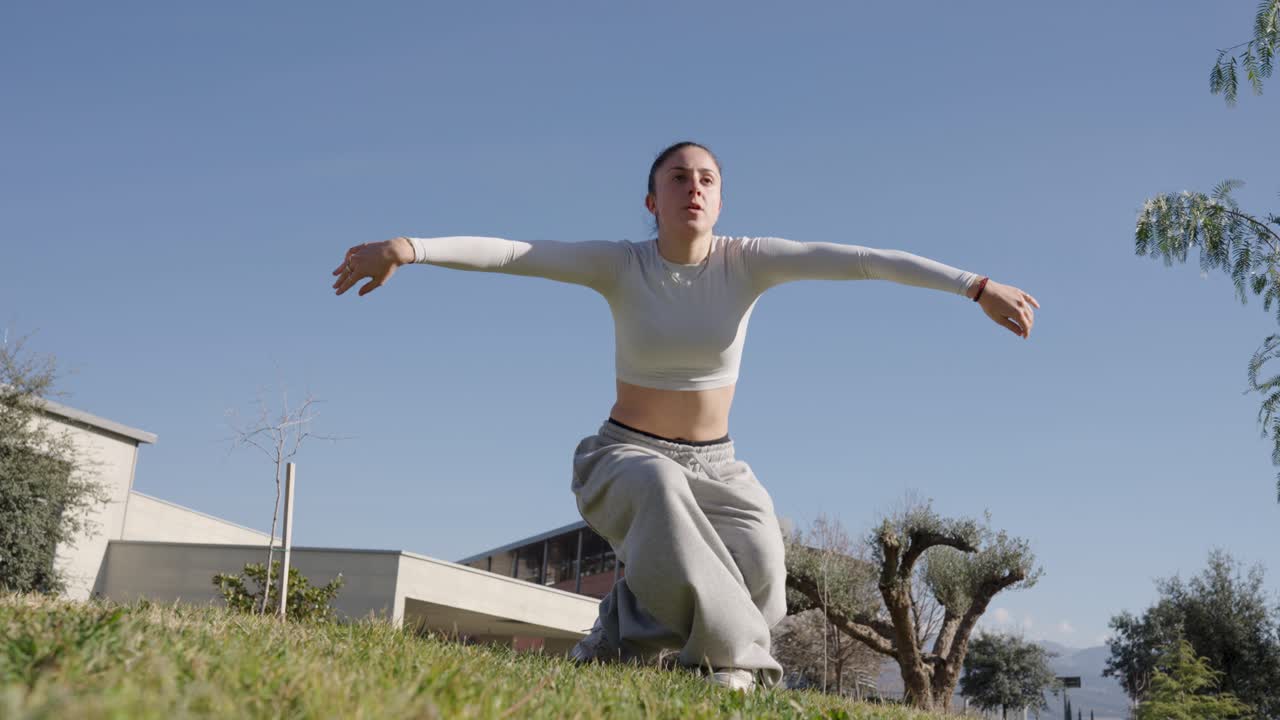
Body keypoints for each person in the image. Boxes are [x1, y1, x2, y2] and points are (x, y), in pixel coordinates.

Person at [330, 141, 1039, 692]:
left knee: (766, 562)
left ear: (721, 201)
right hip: (624, 457)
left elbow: (861, 261)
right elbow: (517, 254)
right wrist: (410, 248)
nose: (692, 187)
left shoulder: (749, 262)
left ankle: (620, 633)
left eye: (705, 179)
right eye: (677, 178)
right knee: (663, 495)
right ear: (652, 199)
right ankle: (733, 670)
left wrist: (973, 286)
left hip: (720, 465)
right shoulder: (620, 265)